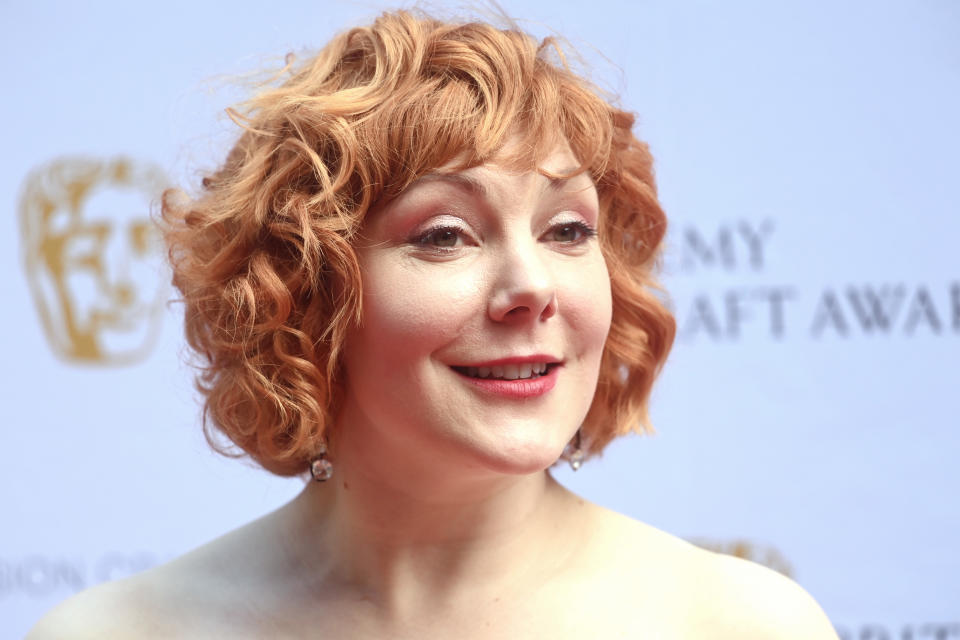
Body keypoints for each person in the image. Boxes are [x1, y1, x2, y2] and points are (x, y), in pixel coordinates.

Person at [30, 9, 839, 638]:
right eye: (445, 235)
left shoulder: (741, 628)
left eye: (567, 230)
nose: (532, 288)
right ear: (303, 297)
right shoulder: (118, 634)